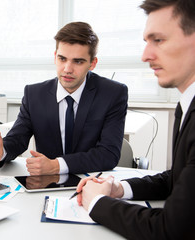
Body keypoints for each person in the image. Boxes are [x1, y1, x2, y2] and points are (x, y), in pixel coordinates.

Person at [76, 0, 195, 239]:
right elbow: (177, 178)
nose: (145, 55)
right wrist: (120, 189)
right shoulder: (186, 106)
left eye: (158, 40)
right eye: (146, 42)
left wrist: (97, 203)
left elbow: (170, 230)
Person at [0, 22, 128, 175]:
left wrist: (57, 165)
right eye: (62, 59)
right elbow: (18, 139)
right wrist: (2, 150)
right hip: (46, 185)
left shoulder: (113, 94)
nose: (67, 69)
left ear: (92, 64)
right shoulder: (34, 94)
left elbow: (109, 154)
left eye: (78, 61)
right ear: (55, 57)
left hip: (92, 182)